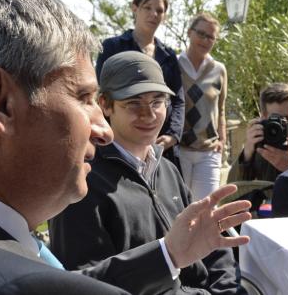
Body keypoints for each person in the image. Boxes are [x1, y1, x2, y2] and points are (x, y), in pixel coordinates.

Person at [0, 0, 253, 295]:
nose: (101, 130)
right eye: (84, 98)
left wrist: (171, 255)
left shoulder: (167, 170)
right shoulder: (11, 283)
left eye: (158, 102)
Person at [50, 51, 243, 294]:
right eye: (133, 103)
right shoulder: (82, 181)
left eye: (157, 102)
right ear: (105, 105)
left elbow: (213, 247)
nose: (149, 114)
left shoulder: (168, 170)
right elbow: (85, 284)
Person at [96, 0, 184, 166]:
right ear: (134, 8)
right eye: (147, 7)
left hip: (162, 147)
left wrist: (173, 135)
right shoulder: (112, 46)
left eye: (159, 10)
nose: (154, 14)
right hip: (118, 145)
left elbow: (178, 98)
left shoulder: (169, 55)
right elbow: (101, 92)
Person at [178, 13, 227, 200]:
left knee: (206, 208)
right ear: (190, 33)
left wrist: (223, 142)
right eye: (201, 34)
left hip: (209, 151)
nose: (206, 40)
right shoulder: (175, 65)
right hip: (180, 149)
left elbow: (221, 109)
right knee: (179, 208)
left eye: (211, 37)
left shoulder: (219, 69)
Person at [228, 83, 288, 183]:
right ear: (263, 117)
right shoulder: (260, 143)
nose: (282, 125)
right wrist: (246, 155)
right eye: (276, 120)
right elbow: (233, 189)